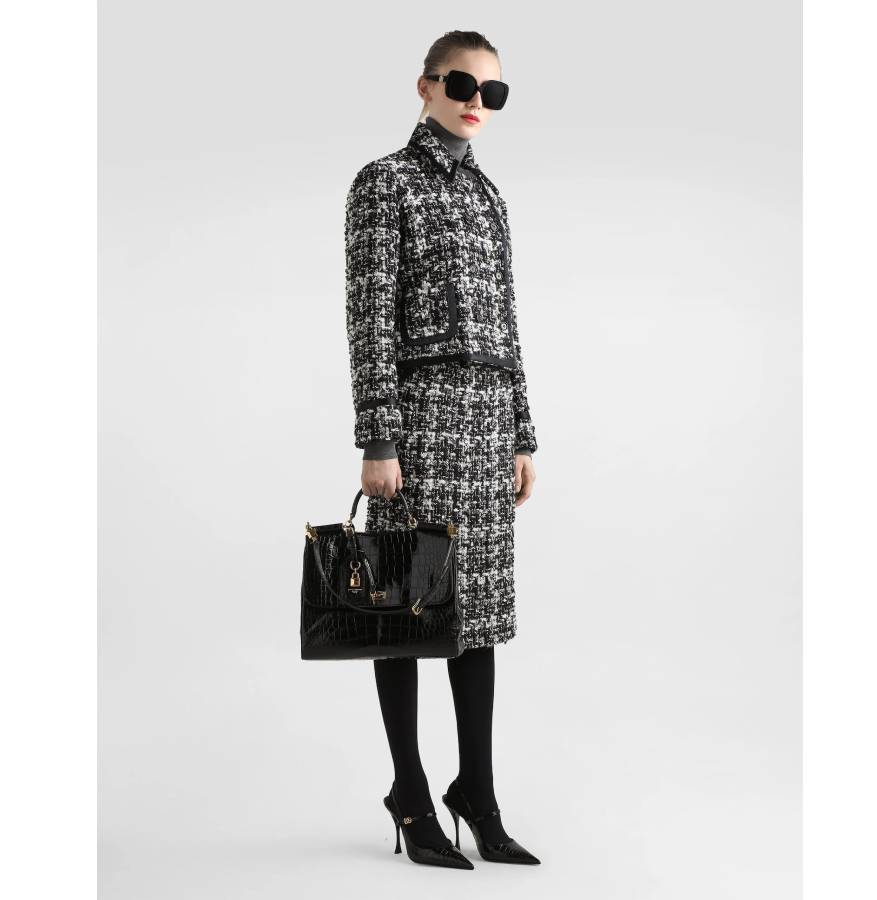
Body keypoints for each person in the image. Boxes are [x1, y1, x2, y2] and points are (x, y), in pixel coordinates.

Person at [344, 30, 540, 869]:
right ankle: (412, 792)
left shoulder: (491, 196)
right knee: (407, 610)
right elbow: (369, 319)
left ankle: (479, 794)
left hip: (488, 428)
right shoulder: (384, 181)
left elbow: (508, 325)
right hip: (421, 426)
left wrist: (522, 431)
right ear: (425, 85)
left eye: (493, 92)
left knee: (477, 620)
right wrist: (378, 437)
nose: (476, 102)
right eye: (462, 84)